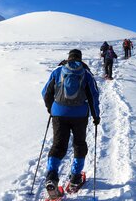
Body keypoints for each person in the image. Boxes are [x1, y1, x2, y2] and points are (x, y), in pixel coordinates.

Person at [41, 49, 100, 197]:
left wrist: (51, 109)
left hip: (59, 113)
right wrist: (96, 116)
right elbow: (93, 96)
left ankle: (52, 177)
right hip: (80, 115)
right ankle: (75, 178)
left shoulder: (58, 71)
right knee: (79, 144)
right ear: (80, 59)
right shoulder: (86, 73)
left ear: (68, 58)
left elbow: (45, 92)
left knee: (58, 145)